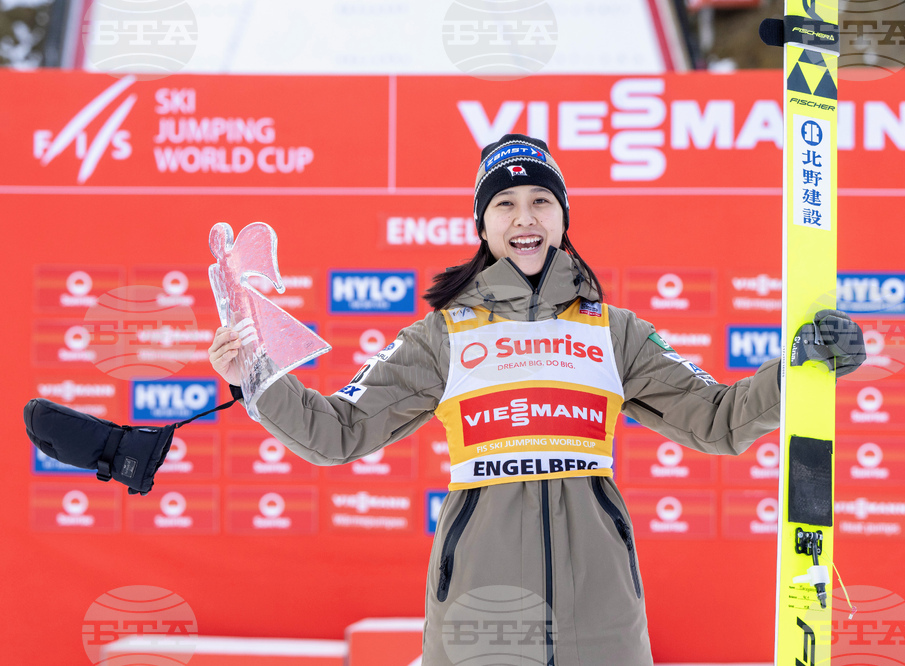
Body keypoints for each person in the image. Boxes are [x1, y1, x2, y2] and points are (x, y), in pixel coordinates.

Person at [208, 134, 863, 665]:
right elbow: (335, 432)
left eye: (541, 201)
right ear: (483, 225)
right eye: (505, 204)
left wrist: (800, 369)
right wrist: (255, 373)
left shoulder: (614, 332)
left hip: (602, 618)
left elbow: (716, 421)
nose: (525, 218)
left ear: (563, 217)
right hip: (481, 617)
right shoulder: (443, 336)